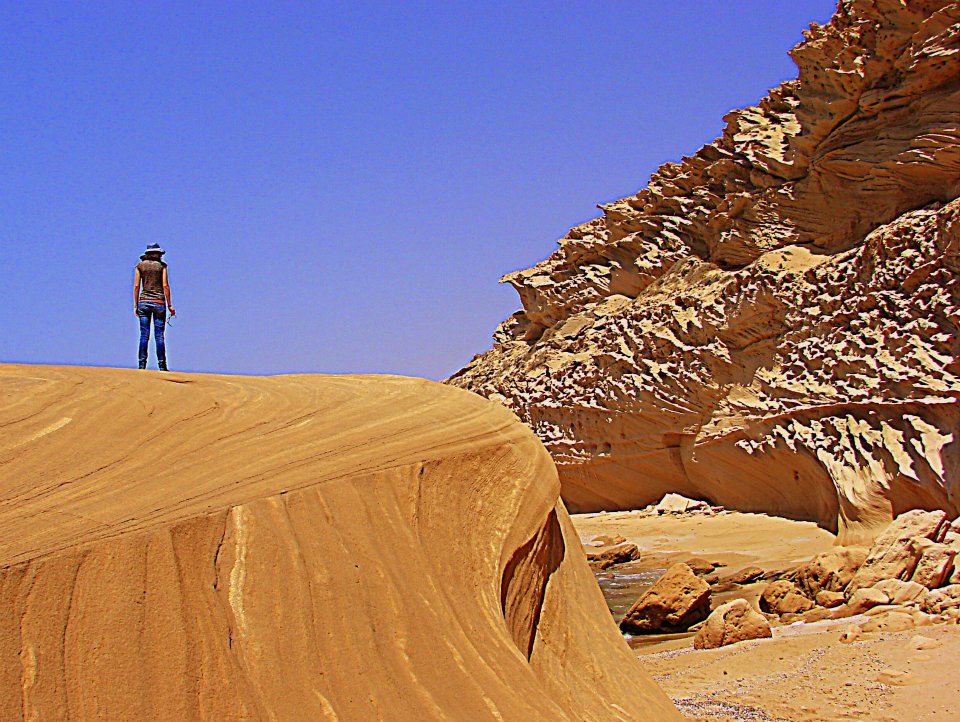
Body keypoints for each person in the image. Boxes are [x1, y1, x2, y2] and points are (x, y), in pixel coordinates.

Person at [134, 243, 176, 370]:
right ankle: (162, 366)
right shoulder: (162, 266)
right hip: (159, 303)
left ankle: (142, 365)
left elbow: (136, 286)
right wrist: (170, 305)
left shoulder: (140, 266)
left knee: (144, 335)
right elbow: (165, 285)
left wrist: (136, 305)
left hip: (144, 302)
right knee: (159, 336)